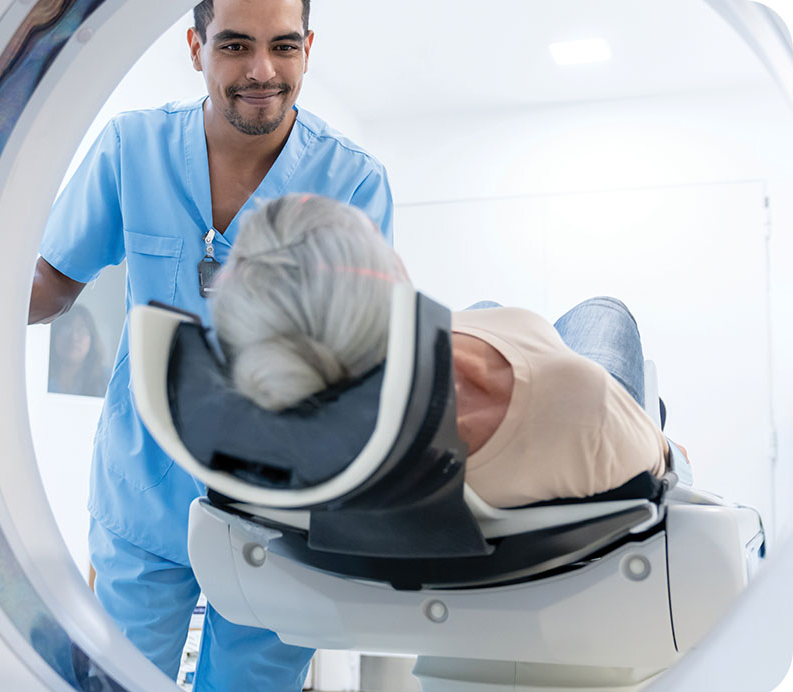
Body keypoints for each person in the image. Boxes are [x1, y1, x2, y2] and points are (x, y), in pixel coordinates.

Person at [29, 0, 394, 692]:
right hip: (145, 493)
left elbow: (362, 355)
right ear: (196, 46)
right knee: (118, 687)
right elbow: (48, 285)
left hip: (281, 511)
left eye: (283, 47)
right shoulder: (131, 149)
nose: (262, 71)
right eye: (234, 46)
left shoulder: (352, 182)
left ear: (308, 47)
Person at [212, 193, 693, 508]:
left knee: (486, 308)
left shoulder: (289, 459)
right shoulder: (584, 403)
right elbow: (667, 477)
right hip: (558, 409)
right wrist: (672, 450)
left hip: (486, 385)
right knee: (604, 311)